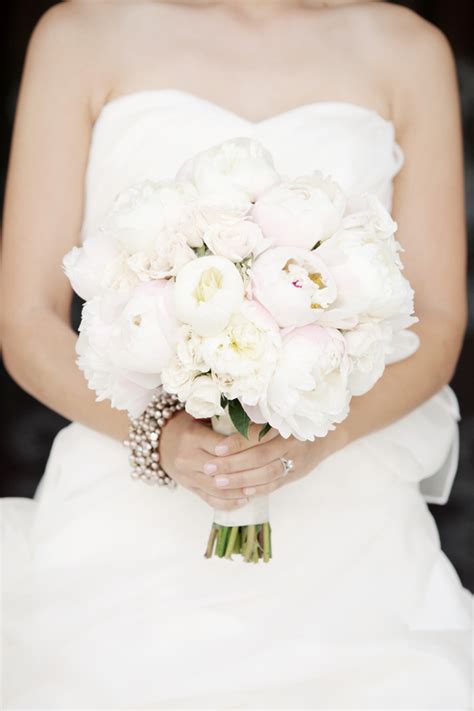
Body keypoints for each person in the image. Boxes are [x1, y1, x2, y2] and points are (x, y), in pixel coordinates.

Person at [1, 0, 472, 707]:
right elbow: (26, 321)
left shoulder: (406, 48)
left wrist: (316, 437)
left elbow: (438, 321)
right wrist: (160, 435)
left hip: (349, 525)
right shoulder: (81, 34)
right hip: (123, 518)